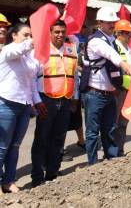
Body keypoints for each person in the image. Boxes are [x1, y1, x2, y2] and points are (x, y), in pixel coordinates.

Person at [81, 7, 131, 165]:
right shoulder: (96, 40)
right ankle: (93, 164)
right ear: (99, 23)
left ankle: (111, 160)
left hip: (111, 93)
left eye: (113, 22)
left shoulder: (111, 40)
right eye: (108, 22)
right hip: (95, 93)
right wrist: (124, 65)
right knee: (92, 132)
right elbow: (111, 55)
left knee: (110, 129)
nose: (112, 25)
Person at [31, 20, 79, 187]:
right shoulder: (41, 51)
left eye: (62, 31)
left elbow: (74, 75)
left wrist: (75, 97)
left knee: (59, 139)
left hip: (65, 100)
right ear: (49, 33)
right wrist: (35, 101)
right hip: (46, 100)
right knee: (41, 139)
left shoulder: (71, 48)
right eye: (56, 32)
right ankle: (37, 178)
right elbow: (32, 78)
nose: (60, 35)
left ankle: (52, 174)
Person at [0, 23, 46, 193]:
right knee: (2, 146)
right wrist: (35, 39)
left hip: (24, 105)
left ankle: (8, 181)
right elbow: (18, 51)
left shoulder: (29, 57)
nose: (28, 39)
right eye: (25, 35)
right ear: (14, 36)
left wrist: (37, 101)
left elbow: (32, 82)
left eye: (30, 35)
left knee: (15, 146)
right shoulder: (8, 50)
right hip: (6, 103)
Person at [113, 20, 131, 156]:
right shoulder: (115, 47)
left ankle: (120, 150)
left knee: (123, 122)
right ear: (118, 33)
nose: (130, 35)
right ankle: (113, 153)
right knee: (116, 123)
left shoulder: (128, 48)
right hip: (119, 90)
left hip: (128, 90)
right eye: (127, 33)